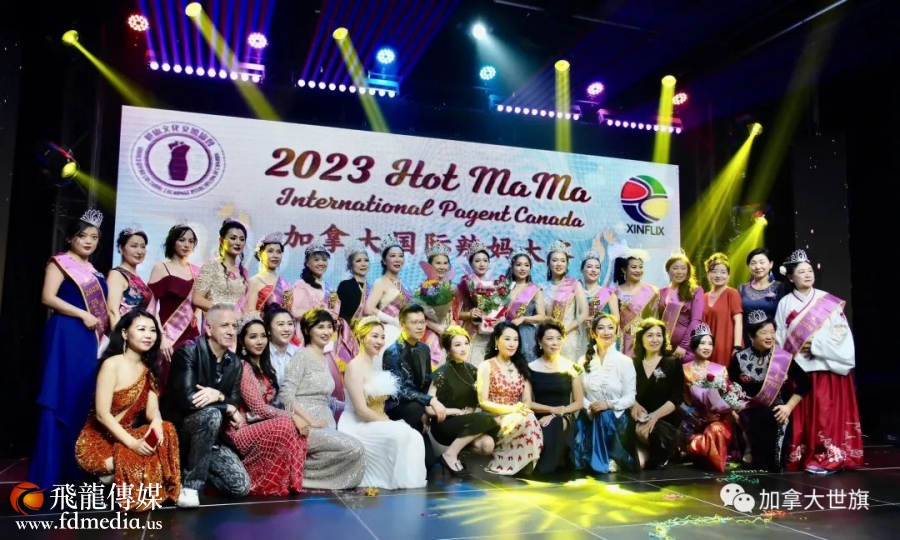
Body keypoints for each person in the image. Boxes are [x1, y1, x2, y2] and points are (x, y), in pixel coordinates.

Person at [30, 209, 110, 488]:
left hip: (88, 339)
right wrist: (81, 314)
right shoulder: (60, 263)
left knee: (81, 398)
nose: (88, 241)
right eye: (82, 236)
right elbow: (47, 297)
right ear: (70, 238)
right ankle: (50, 474)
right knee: (59, 397)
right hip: (65, 335)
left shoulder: (95, 271)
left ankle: (75, 471)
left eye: (94, 237)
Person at [75, 310, 180, 511]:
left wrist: (157, 422)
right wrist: (134, 444)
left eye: (152, 330)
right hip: (97, 444)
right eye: (141, 329)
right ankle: (103, 480)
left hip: (126, 438)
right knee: (139, 459)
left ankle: (114, 480)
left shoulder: (149, 369)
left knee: (167, 430)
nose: (148, 335)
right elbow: (102, 414)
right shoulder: (111, 364)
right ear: (124, 333)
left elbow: (152, 410)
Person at [775, 250, 863, 473]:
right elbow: (779, 337)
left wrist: (816, 343)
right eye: (801, 272)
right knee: (804, 417)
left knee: (825, 415)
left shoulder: (827, 301)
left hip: (825, 367)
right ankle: (805, 456)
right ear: (791, 277)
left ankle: (827, 457)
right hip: (800, 369)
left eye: (810, 271)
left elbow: (841, 333)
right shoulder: (785, 303)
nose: (807, 275)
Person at [163, 303, 251, 508]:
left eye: (234, 326)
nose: (231, 331)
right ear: (209, 329)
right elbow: (188, 400)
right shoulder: (188, 351)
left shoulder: (235, 363)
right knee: (212, 415)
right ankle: (191, 486)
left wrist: (218, 395)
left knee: (241, 486)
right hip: (180, 430)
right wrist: (226, 407)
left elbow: (234, 400)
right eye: (225, 325)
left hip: (209, 438)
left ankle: (187, 468)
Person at [279, 308, 365, 490]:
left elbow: (326, 398)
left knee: (355, 450)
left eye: (329, 327)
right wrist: (310, 421)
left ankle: (295, 472)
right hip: (306, 426)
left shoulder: (325, 359)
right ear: (307, 330)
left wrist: (356, 406)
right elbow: (285, 395)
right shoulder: (302, 356)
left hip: (325, 423)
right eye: (320, 327)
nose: (326, 331)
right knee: (354, 448)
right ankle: (293, 475)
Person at [338, 317, 427, 489]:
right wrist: (389, 422)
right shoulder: (354, 367)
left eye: (382, 337)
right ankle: (393, 480)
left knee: (415, 436)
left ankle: (408, 483)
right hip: (356, 423)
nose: (380, 341)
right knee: (401, 432)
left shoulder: (373, 366)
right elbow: (361, 411)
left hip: (374, 420)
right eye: (375, 336)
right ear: (361, 337)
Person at [226, 315, 307, 495]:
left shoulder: (265, 367)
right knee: (285, 423)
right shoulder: (243, 366)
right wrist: (293, 416)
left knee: (292, 426)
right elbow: (258, 408)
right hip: (240, 430)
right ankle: (259, 480)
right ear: (242, 341)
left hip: (259, 425)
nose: (260, 341)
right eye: (253, 337)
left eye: (263, 336)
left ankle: (289, 482)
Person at [729, 310, 809, 472]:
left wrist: (788, 407)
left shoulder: (782, 358)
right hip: (747, 411)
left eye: (772, 332)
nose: (769, 337)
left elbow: (805, 383)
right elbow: (729, 386)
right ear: (751, 336)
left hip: (774, 410)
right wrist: (733, 410)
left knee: (771, 465)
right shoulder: (739, 358)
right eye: (764, 332)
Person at [427, 326, 500, 476]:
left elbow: (475, 400)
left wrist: (470, 411)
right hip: (445, 424)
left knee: (487, 445)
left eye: (466, 343)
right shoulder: (442, 373)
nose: (463, 348)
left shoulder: (472, 370)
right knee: (486, 417)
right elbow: (428, 408)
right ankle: (449, 455)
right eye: (457, 345)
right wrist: (455, 412)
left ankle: (458, 452)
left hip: (465, 422)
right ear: (448, 349)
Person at [290, 242, 355, 403]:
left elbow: (335, 310)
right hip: (307, 334)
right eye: (316, 259)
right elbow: (295, 311)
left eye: (324, 259)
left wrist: (332, 316)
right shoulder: (301, 285)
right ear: (307, 262)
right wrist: (321, 313)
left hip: (328, 335)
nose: (321, 263)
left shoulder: (329, 287)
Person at [382, 303, 443, 470]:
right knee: (416, 408)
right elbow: (398, 390)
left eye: (422, 322)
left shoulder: (424, 349)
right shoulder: (392, 352)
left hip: (418, 407)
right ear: (402, 325)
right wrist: (428, 401)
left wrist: (426, 408)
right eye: (414, 322)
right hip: (398, 407)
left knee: (429, 464)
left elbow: (426, 382)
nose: (420, 327)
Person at [476, 322, 543, 475]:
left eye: (515, 339)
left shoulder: (521, 366)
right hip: (494, 415)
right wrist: (512, 410)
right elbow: (483, 402)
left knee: (529, 417)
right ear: (496, 340)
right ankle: (508, 463)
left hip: (517, 413)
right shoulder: (486, 366)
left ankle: (524, 461)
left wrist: (522, 409)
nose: (512, 344)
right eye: (507, 339)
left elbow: (527, 400)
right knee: (526, 419)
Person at [574, 314, 637, 474]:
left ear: (616, 332)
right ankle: (603, 457)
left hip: (615, 417)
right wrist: (591, 407)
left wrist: (607, 405)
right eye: (601, 328)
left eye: (610, 328)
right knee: (576, 458)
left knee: (604, 416)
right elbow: (579, 395)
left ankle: (608, 458)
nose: (606, 332)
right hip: (590, 414)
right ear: (593, 333)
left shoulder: (625, 361)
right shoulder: (583, 361)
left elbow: (630, 398)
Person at [148, 222, 201, 390]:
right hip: (168, 336)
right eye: (182, 240)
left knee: (189, 383)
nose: (187, 245)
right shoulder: (161, 268)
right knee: (165, 380)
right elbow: (150, 307)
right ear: (173, 241)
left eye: (191, 241)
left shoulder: (197, 271)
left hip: (192, 336)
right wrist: (161, 337)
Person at [528, 321, 585, 475]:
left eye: (559, 338)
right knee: (539, 424)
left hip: (564, 415)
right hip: (539, 416)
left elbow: (579, 402)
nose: (555, 343)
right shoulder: (529, 368)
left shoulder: (572, 367)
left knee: (555, 422)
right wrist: (551, 410)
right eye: (550, 339)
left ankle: (544, 467)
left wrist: (557, 413)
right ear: (540, 342)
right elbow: (527, 403)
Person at [681, 323, 734, 472]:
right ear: (694, 345)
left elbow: (728, 398)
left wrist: (718, 415)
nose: (707, 347)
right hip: (692, 421)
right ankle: (701, 452)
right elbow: (679, 399)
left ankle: (706, 456)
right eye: (702, 343)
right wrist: (692, 413)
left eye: (710, 344)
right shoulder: (684, 369)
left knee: (715, 429)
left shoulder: (721, 370)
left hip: (717, 420)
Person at [631, 318, 684, 469]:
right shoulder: (632, 363)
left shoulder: (672, 363)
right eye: (650, 335)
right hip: (638, 417)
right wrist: (633, 404)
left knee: (653, 437)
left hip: (664, 418)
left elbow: (676, 398)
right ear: (641, 338)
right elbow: (625, 391)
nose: (655, 339)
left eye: (658, 335)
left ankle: (663, 450)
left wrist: (654, 416)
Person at [364, 233, 411, 369]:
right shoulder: (380, 282)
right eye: (392, 256)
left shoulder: (405, 285)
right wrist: (393, 321)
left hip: (406, 332)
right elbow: (369, 309)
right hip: (388, 332)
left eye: (400, 256)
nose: (397, 259)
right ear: (384, 261)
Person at [542, 241, 589, 361]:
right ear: (548, 263)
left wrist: (564, 331)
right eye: (555, 260)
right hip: (548, 338)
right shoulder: (542, 287)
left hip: (568, 337)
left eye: (563, 261)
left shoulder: (574, 284)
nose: (559, 264)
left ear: (567, 264)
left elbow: (584, 313)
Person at [453, 239, 495, 366]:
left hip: (491, 334)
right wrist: (470, 314)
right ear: (470, 263)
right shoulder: (464, 284)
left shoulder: (496, 286)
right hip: (471, 334)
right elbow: (454, 314)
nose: (482, 264)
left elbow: (500, 311)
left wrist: (497, 316)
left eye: (485, 260)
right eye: (477, 261)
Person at [194, 219, 250, 314]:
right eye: (233, 238)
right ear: (221, 240)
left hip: (238, 321)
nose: (238, 243)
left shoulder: (244, 272)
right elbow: (197, 299)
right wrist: (226, 312)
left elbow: (245, 305)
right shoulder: (211, 266)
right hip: (217, 319)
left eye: (242, 239)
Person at [658, 251, 704, 363]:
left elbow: (696, 321)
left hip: (685, 349)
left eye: (683, 268)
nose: (680, 272)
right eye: (675, 268)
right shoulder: (661, 292)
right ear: (668, 270)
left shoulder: (695, 291)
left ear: (688, 271)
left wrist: (683, 345)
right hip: (664, 347)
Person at [418, 239, 456, 368]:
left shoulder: (450, 287)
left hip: (448, 333)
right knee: (435, 364)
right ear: (430, 266)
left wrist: (452, 326)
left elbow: (453, 313)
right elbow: (418, 315)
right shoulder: (424, 288)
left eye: (445, 263)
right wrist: (437, 328)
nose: (442, 267)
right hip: (430, 333)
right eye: (438, 263)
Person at [107, 227, 156, 328]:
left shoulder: (136, 276)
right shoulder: (117, 275)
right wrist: (120, 337)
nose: (140, 251)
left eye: (143, 247)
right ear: (121, 248)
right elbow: (112, 312)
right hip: (124, 332)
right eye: (134, 246)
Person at [503, 249, 546, 363]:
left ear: (530, 268)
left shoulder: (535, 290)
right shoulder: (504, 288)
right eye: (518, 265)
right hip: (505, 331)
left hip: (526, 334)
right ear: (512, 268)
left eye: (526, 265)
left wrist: (523, 318)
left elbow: (542, 317)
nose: (523, 268)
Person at [613, 251, 660, 357]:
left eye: (640, 267)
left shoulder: (652, 291)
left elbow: (655, 319)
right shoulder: (615, 292)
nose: (638, 270)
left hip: (644, 340)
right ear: (624, 269)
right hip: (621, 340)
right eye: (634, 267)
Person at [702, 252, 743, 366]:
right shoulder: (703, 297)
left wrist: (737, 346)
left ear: (728, 276)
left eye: (723, 272)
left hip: (727, 347)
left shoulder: (732, 294)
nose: (718, 275)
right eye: (714, 271)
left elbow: (738, 321)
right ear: (708, 274)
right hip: (706, 348)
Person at [241, 232, 292, 315]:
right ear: (260, 254)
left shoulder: (285, 283)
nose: (275, 255)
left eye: (279, 252)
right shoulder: (254, 282)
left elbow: (288, 311)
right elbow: (250, 312)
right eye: (270, 251)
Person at [580, 249, 619, 356]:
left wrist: (599, 322)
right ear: (582, 270)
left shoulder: (608, 293)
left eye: (597, 267)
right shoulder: (576, 293)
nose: (593, 270)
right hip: (581, 335)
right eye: (589, 267)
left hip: (602, 336)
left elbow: (616, 319)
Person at [336, 242, 371, 323]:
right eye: (358, 261)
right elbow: (340, 313)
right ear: (351, 265)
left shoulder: (372, 288)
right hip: (349, 329)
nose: (363, 264)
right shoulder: (345, 285)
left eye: (366, 260)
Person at [265, 305, 298, 385]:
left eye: (290, 324)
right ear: (268, 329)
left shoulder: (300, 353)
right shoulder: (262, 354)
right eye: (280, 324)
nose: (287, 329)